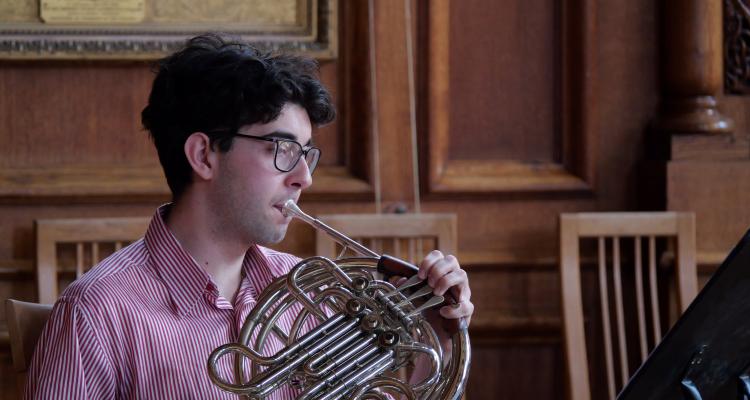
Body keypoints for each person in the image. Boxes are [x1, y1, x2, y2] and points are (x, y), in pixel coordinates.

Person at [25, 33, 474, 399]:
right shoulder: (98, 312)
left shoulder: (310, 294)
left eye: (306, 154)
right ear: (204, 155)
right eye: (282, 149)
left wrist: (435, 336)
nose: (304, 178)